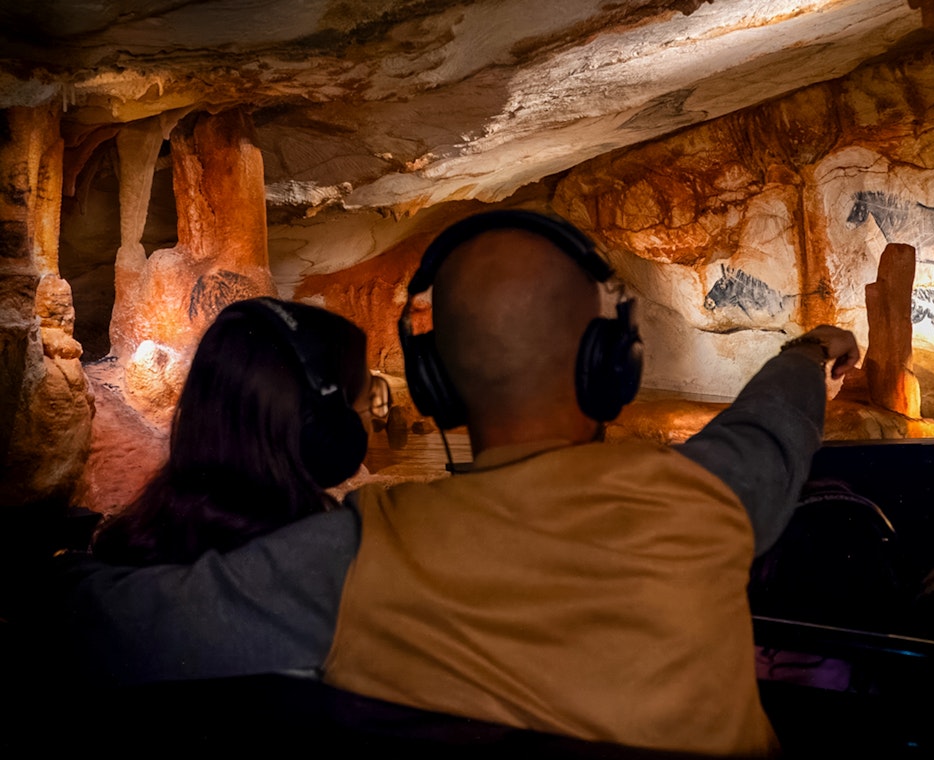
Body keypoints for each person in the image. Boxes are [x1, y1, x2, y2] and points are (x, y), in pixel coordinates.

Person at [51, 211, 858, 755]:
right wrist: (808, 352)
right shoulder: (715, 497)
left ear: (434, 387)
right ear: (613, 367)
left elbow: (93, 627)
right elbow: (775, 427)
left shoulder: (353, 553)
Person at [91, 297, 384, 565]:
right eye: (368, 400)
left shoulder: (129, 546)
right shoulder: (323, 573)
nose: (373, 418)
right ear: (321, 431)